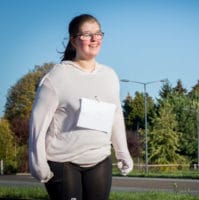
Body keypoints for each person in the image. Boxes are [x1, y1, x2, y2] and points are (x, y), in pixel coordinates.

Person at [28, 14, 133, 200]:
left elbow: (115, 117)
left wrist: (122, 152)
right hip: (63, 162)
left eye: (98, 34)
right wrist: (38, 163)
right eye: (87, 34)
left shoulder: (109, 76)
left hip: (99, 159)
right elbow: (38, 125)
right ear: (74, 40)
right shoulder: (56, 78)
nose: (94, 39)